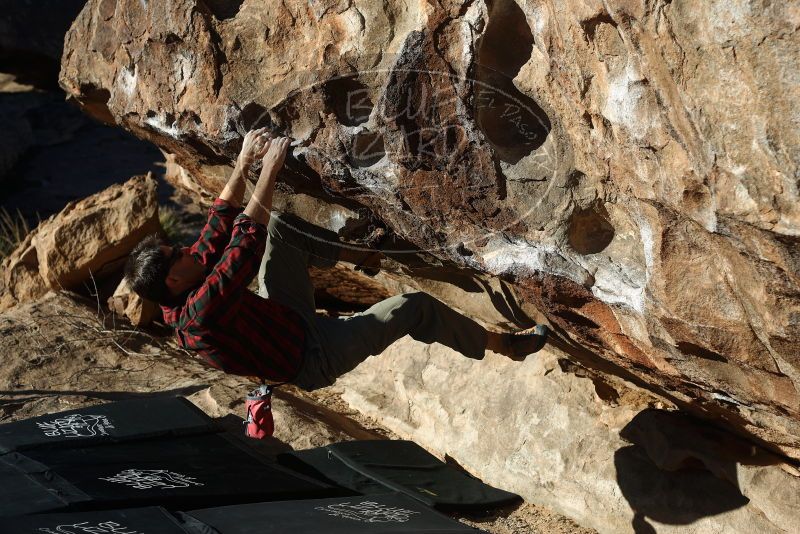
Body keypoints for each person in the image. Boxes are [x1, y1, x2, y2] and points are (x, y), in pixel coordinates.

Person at [124, 129, 548, 390]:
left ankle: (365, 255)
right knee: (412, 307)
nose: (187, 249)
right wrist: (269, 169)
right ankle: (505, 345)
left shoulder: (182, 280)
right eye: (178, 254)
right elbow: (240, 244)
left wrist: (242, 163)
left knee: (282, 229)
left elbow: (219, 222)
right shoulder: (198, 314)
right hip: (314, 356)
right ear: (174, 282)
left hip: (286, 318)